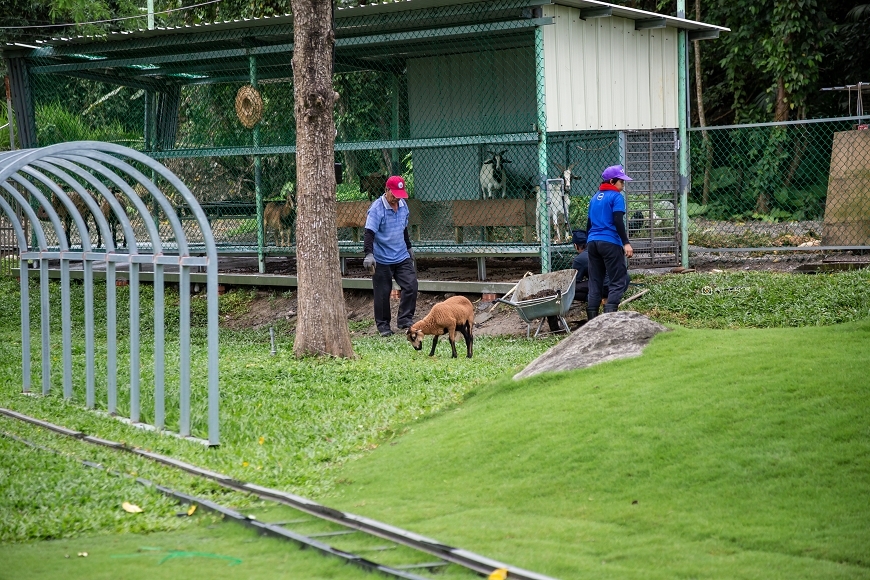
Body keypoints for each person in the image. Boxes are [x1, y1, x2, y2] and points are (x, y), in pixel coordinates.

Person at [363, 175, 418, 337]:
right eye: (393, 194)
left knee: (411, 285)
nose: (396, 198)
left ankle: (404, 319)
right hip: (381, 258)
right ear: (386, 190)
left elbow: (404, 229)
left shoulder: (403, 205)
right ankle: (383, 326)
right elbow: (369, 233)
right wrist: (369, 254)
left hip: (401, 255)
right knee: (382, 293)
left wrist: (409, 248)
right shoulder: (377, 209)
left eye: (399, 194)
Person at [585, 165, 633, 320]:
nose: (623, 185)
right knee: (618, 280)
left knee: (595, 281)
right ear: (612, 181)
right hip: (610, 242)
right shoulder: (616, 197)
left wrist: (589, 242)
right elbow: (618, 221)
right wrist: (626, 243)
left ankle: (591, 321)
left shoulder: (594, 198)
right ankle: (609, 321)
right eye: (621, 182)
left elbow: (589, 223)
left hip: (593, 242)